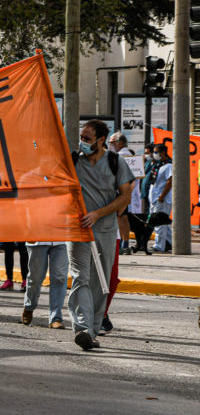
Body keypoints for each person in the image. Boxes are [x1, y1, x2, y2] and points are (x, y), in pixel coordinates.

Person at [67, 120, 133, 351]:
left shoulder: (116, 162)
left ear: (101, 140)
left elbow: (125, 196)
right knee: (80, 278)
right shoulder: (74, 160)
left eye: (87, 138)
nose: (82, 142)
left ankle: (93, 330)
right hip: (78, 231)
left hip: (105, 231)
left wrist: (99, 214)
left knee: (100, 282)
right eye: (81, 137)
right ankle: (82, 328)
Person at [21, 239, 68, 329]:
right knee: (35, 277)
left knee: (60, 278)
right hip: (38, 238)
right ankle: (29, 306)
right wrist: (27, 233)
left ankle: (56, 318)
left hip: (61, 238)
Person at [149, 144, 173, 253]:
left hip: (161, 199)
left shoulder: (168, 166)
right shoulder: (158, 165)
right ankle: (170, 243)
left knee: (159, 223)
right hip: (154, 199)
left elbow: (170, 181)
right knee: (164, 225)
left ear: (163, 152)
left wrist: (162, 196)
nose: (154, 154)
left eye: (156, 152)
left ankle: (159, 246)